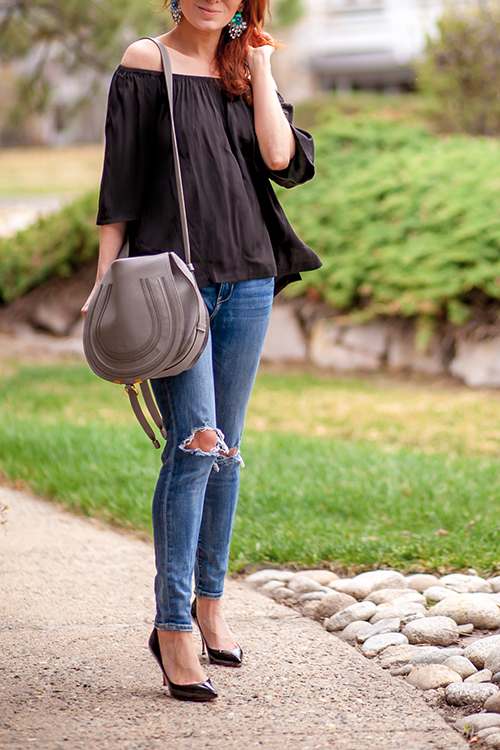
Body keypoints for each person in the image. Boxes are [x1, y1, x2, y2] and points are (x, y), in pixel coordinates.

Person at [82, 0, 321, 702]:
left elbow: (281, 159)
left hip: (249, 277)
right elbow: (119, 181)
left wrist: (263, 64)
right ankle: (172, 625)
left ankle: (209, 606)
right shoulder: (144, 61)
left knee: (229, 449)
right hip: (169, 286)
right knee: (195, 444)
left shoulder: (246, 68)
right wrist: (105, 277)